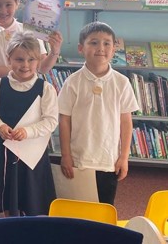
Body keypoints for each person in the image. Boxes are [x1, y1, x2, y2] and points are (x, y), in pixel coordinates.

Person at [58, 22, 139, 205]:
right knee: (77, 209)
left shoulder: (122, 82)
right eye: (93, 42)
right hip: (80, 159)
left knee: (104, 208)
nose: (100, 48)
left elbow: (126, 122)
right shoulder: (72, 82)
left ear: (114, 49)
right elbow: (64, 120)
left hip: (108, 160)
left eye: (106, 43)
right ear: (81, 48)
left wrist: (124, 157)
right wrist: (66, 155)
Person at [0, 31, 58, 216]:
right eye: (19, 59)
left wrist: (28, 131)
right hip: (4, 151)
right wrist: (0, 127)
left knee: (33, 198)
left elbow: (50, 121)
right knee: (8, 197)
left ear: (38, 61)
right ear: (9, 59)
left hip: (33, 153)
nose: (25, 65)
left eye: (31, 60)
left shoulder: (46, 89)